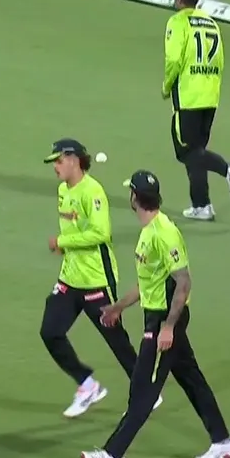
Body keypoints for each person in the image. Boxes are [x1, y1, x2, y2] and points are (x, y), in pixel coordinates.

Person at [81, 170, 230, 458]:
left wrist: (168, 327)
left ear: (135, 198)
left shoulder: (164, 233)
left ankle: (112, 456)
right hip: (157, 315)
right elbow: (148, 283)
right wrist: (118, 307)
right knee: (191, 378)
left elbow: (184, 282)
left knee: (144, 388)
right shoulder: (149, 231)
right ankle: (223, 441)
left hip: (165, 320)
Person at [41, 139, 162, 418]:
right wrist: (66, 247)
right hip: (70, 278)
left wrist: (62, 241)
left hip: (96, 279)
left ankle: (146, 390)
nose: (55, 167)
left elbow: (100, 233)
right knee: (50, 331)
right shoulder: (63, 190)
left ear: (74, 160)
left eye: (59, 160)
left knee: (115, 338)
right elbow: (75, 229)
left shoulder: (93, 191)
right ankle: (87, 385)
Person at [163, 0, 230, 221]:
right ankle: (202, 205)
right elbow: (220, 59)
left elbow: (173, 60)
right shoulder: (211, 23)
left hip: (189, 96)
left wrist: (167, 86)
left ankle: (227, 169)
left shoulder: (177, 22)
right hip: (210, 95)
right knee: (197, 152)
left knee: (185, 151)